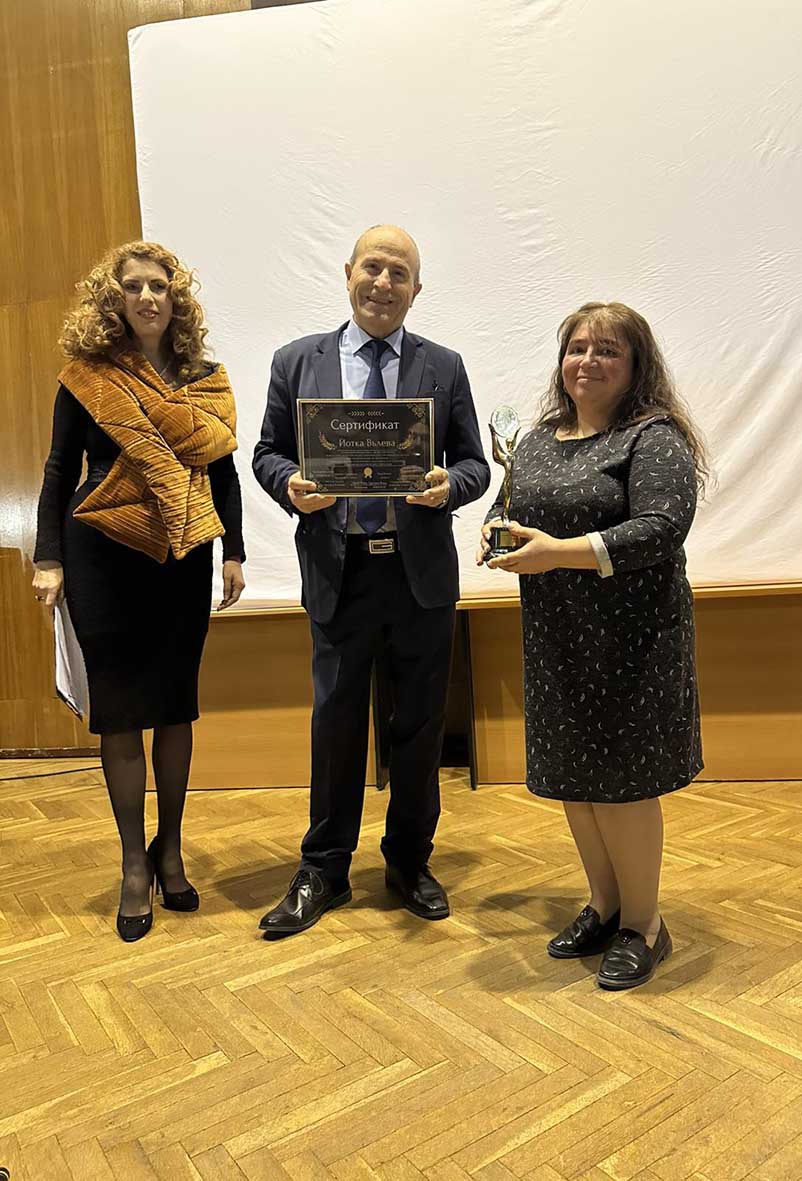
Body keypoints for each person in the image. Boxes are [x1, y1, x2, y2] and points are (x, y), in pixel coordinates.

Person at [253, 224, 490, 936]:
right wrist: (289, 484)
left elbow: (475, 464)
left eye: (400, 273)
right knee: (335, 722)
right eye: (374, 268)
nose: (384, 283)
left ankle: (409, 861)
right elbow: (266, 453)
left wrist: (449, 486)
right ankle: (323, 869)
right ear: (349, 272)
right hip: (339, 571)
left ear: (417, 290)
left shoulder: (444, 366)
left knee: (418, 724)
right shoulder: (296, 361)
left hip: (419, 577)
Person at [478, 301, 707, 990]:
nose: (588, 361)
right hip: (557, 642)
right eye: (577, 348)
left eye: (607, 350)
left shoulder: (653, 437)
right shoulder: (537, 440)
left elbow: (661, 528)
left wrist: (559, 552)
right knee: (577, 783)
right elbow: (512, 504)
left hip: (632, 645)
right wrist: (496, 527)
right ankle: (605, 907)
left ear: (636, 365)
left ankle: (646, 924)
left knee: (622, 788)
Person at [33, 241, 246, 942]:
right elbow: (59, 469)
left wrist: (234, 552)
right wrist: (49, 557)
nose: (148, 296)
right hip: (100, 556)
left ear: (175, 298)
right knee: (121, 710)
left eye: (159, 285)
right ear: (114, 299)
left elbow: (224, 474)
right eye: (134, 286)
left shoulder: (206, 380)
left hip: (183, 554)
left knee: (176, 706)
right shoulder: (86, 377)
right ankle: (133, 863)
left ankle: (170, 848)